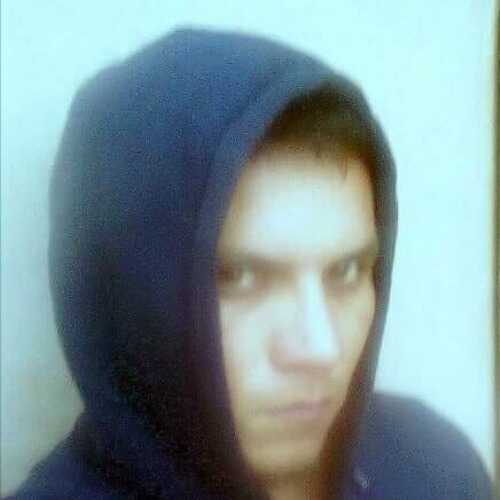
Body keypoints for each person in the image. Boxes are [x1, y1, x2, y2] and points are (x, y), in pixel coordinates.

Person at [4, 28, 492, 500]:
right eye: (240, 278)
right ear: (127, 294)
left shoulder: (434, 469)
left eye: (345, 272)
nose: (320, 349)